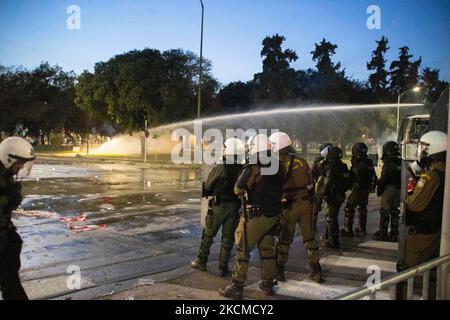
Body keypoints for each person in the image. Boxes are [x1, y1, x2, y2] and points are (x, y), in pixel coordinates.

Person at [219, 134, 283, 299]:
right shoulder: (279, 165)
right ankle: (268, 283)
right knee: (267, 249)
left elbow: (238, 189)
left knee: (243, 250)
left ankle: (237, 286)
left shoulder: (253, 167)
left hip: (255, 216)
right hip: (273, 215)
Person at [269, 132, 321, 283]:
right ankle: (315, 269)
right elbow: (311, 181)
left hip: (288, 204)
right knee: (309, 238)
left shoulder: (275, 162)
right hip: (306, 204)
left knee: (285, 239)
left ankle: (279, 270)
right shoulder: (302, 161)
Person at [191, 138, 245, 277]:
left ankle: (201, 261)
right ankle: (223, 267)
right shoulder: (242, 169)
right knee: (228, 238)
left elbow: (208, 186)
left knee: (208, 234)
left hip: (218, 206)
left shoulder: (220, 167)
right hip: (234, 207)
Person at [404, 131, 447, 268]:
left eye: (425, 148)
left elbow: (414, 204)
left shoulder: (430, 177)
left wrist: (406, 199)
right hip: (438, 229)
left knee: (408, 268)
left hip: (425, 233)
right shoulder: (443, 172)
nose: (422, 152)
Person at [0, 137, 36, 300]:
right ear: (8, 158)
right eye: (20, 162)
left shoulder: (5, 178)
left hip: (4, 238)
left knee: (10, 281)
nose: (21, 166)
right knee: (11, 284)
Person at [341, 143, 377, 237]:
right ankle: (362, 229)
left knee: (349, 207)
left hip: (358, 189)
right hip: (365, 189)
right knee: (362, 208)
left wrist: (349, 184)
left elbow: (356, 176)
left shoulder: (358, 162)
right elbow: (373, 176)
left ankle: (347, 229)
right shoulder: (369, 162)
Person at [320, 146, 351, 249]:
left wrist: (324, 194)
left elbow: (328, 182)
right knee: (333, 216)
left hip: (332, 196)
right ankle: (328, 237)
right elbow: (349, 181)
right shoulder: (343, 166)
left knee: (331, 218)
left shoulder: (331, 167)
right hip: (340, 195)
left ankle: (333, 241)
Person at [373, 141, 401, 242]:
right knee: (394, 212)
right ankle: (394, 234)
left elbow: (384, 178)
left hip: (389, 189)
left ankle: (383, 234)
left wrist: (379, 188)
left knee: (385, 212)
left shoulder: (388, 163)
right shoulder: (400, 161)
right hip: (399, 189)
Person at [311, 143, 332, 232]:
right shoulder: (332, 161)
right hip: (327, 188)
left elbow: (311, 174)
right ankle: (328, 228)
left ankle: (313, 227)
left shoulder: (317, 161)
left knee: (316, 208)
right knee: (327, 208)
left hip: (320, 188)